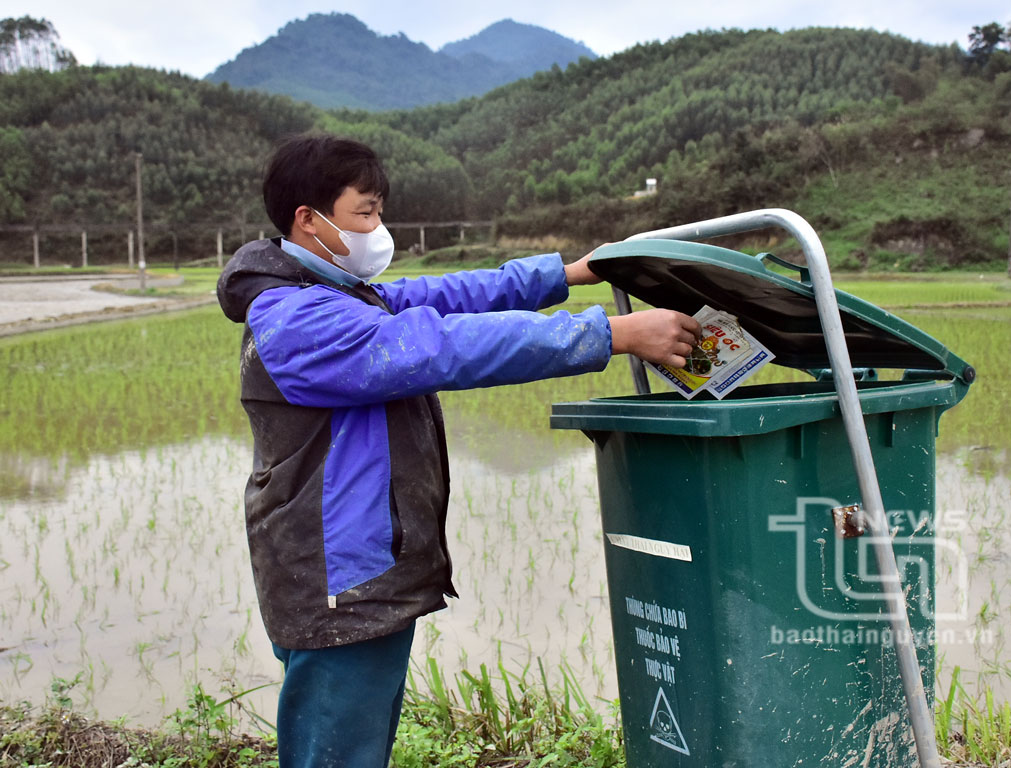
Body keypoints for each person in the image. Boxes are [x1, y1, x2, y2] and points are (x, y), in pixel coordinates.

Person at [215, 134, 699, 768]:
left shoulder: (339, 296)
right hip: (337, 576)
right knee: (335, 754)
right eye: (366, 213)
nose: (377, 228)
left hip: (362, 570)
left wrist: (571, 272)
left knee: (358, 747)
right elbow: (444, 344)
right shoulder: (298, 321)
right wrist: (610, 333)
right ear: (309, 219)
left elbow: (451, 296)